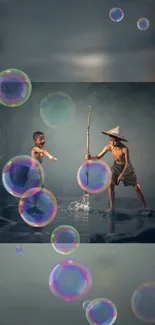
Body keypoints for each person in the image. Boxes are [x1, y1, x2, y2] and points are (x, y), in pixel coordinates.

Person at [85, 126, 147, 211]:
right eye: (111, 140)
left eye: (115, 141)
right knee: (110, 184)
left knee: (136, 187)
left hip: (126, 167)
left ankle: (144, 207)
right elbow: (98, 157)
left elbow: (127, 163)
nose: (113, 143)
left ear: (119, 140)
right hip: (116, 166)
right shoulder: (109, 147)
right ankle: (112, 207)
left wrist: (122, 174)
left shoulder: (124, 149)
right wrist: (90, 158)